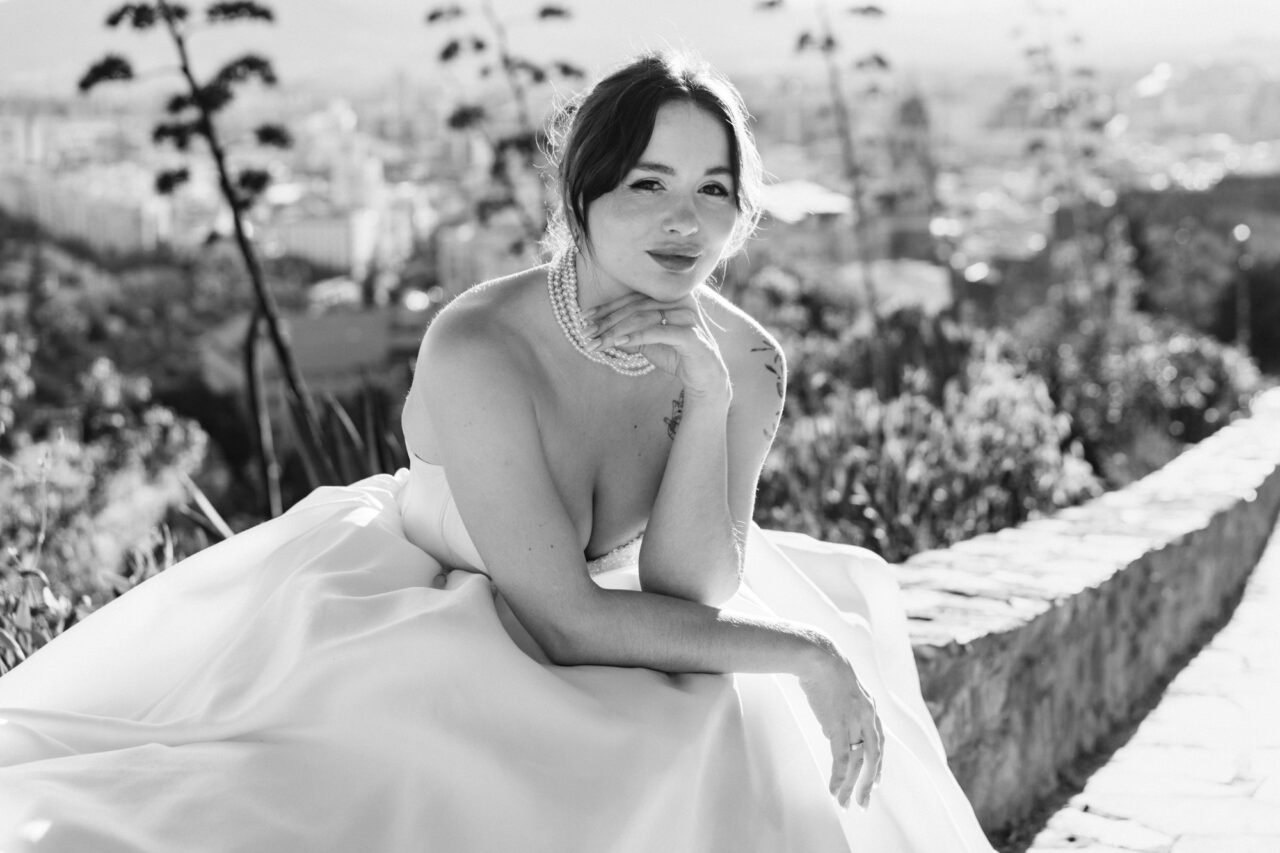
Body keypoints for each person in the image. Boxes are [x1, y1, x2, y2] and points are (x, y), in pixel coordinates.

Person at [0, 51, 995, 852]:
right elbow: (558, 619)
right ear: (579, 193)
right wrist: (808, 654)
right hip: (418, 607)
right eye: (645, 183)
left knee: (725, 737)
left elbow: (688, 587)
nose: (682, 220)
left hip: (622, 619)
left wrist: (705, 400)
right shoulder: (480, 343)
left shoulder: (745, 360)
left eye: (711, 189)